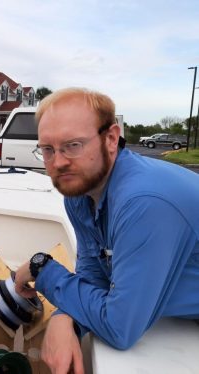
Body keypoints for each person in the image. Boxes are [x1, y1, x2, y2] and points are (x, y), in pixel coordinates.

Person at [13, 87, 199, 374]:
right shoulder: (79, 193)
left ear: (111, 138)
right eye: (47, 149)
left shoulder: (143, 203)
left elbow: (119, 326)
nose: (58, 163)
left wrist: (43, 268)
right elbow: (93, 273)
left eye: (73, 145)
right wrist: (66, 317)